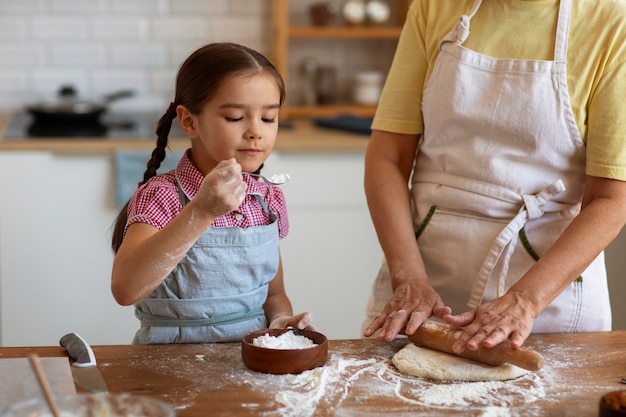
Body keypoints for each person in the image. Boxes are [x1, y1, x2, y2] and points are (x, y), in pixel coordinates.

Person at [362, 0, 626, 353]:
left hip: (548, 304)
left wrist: (526, 301)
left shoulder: (611, 20)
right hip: (421, 295)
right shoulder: (433, 8)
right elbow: (387, 158)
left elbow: (611, 198)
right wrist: (408, 277)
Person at [110, 42, 314, 344]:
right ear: (190, 121)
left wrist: (282, 322)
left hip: (247, 366)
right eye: (235, 117)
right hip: (168, 370)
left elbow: (274, 294)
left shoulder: (265, 199)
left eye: (268, 118)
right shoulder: (162, 197)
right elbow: (125, 289)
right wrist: (201, 211)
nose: (256, 131)